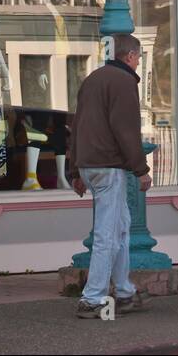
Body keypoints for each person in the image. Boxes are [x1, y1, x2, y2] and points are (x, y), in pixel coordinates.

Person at [65, 34, 152, 319]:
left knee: (121, 227)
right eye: (138, 57)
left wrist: (75, 169)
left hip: (89, 164)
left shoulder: (93, 79)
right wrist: (141, 170)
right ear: (129, 56)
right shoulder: (124, 82)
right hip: (109, 167)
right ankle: (93, 299)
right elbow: (126, 130)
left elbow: (76, 125)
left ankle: (125, 291)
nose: (138, 62)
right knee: (108, 234)